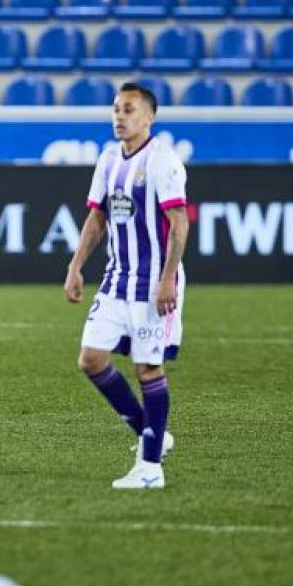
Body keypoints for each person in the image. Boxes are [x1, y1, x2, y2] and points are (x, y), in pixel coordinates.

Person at [65, 82, 188, 490]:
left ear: (148, 118)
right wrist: (76, 266)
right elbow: (97, 217)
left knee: (147, 367)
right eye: (116, 109)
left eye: (129, 110)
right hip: (117, 280)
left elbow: (179, 223)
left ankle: (151, 468)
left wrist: (168, 277)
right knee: (91, 360)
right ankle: (152, 434)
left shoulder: (162, 160)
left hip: (153, 283)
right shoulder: (107, 159)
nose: (119, 116)